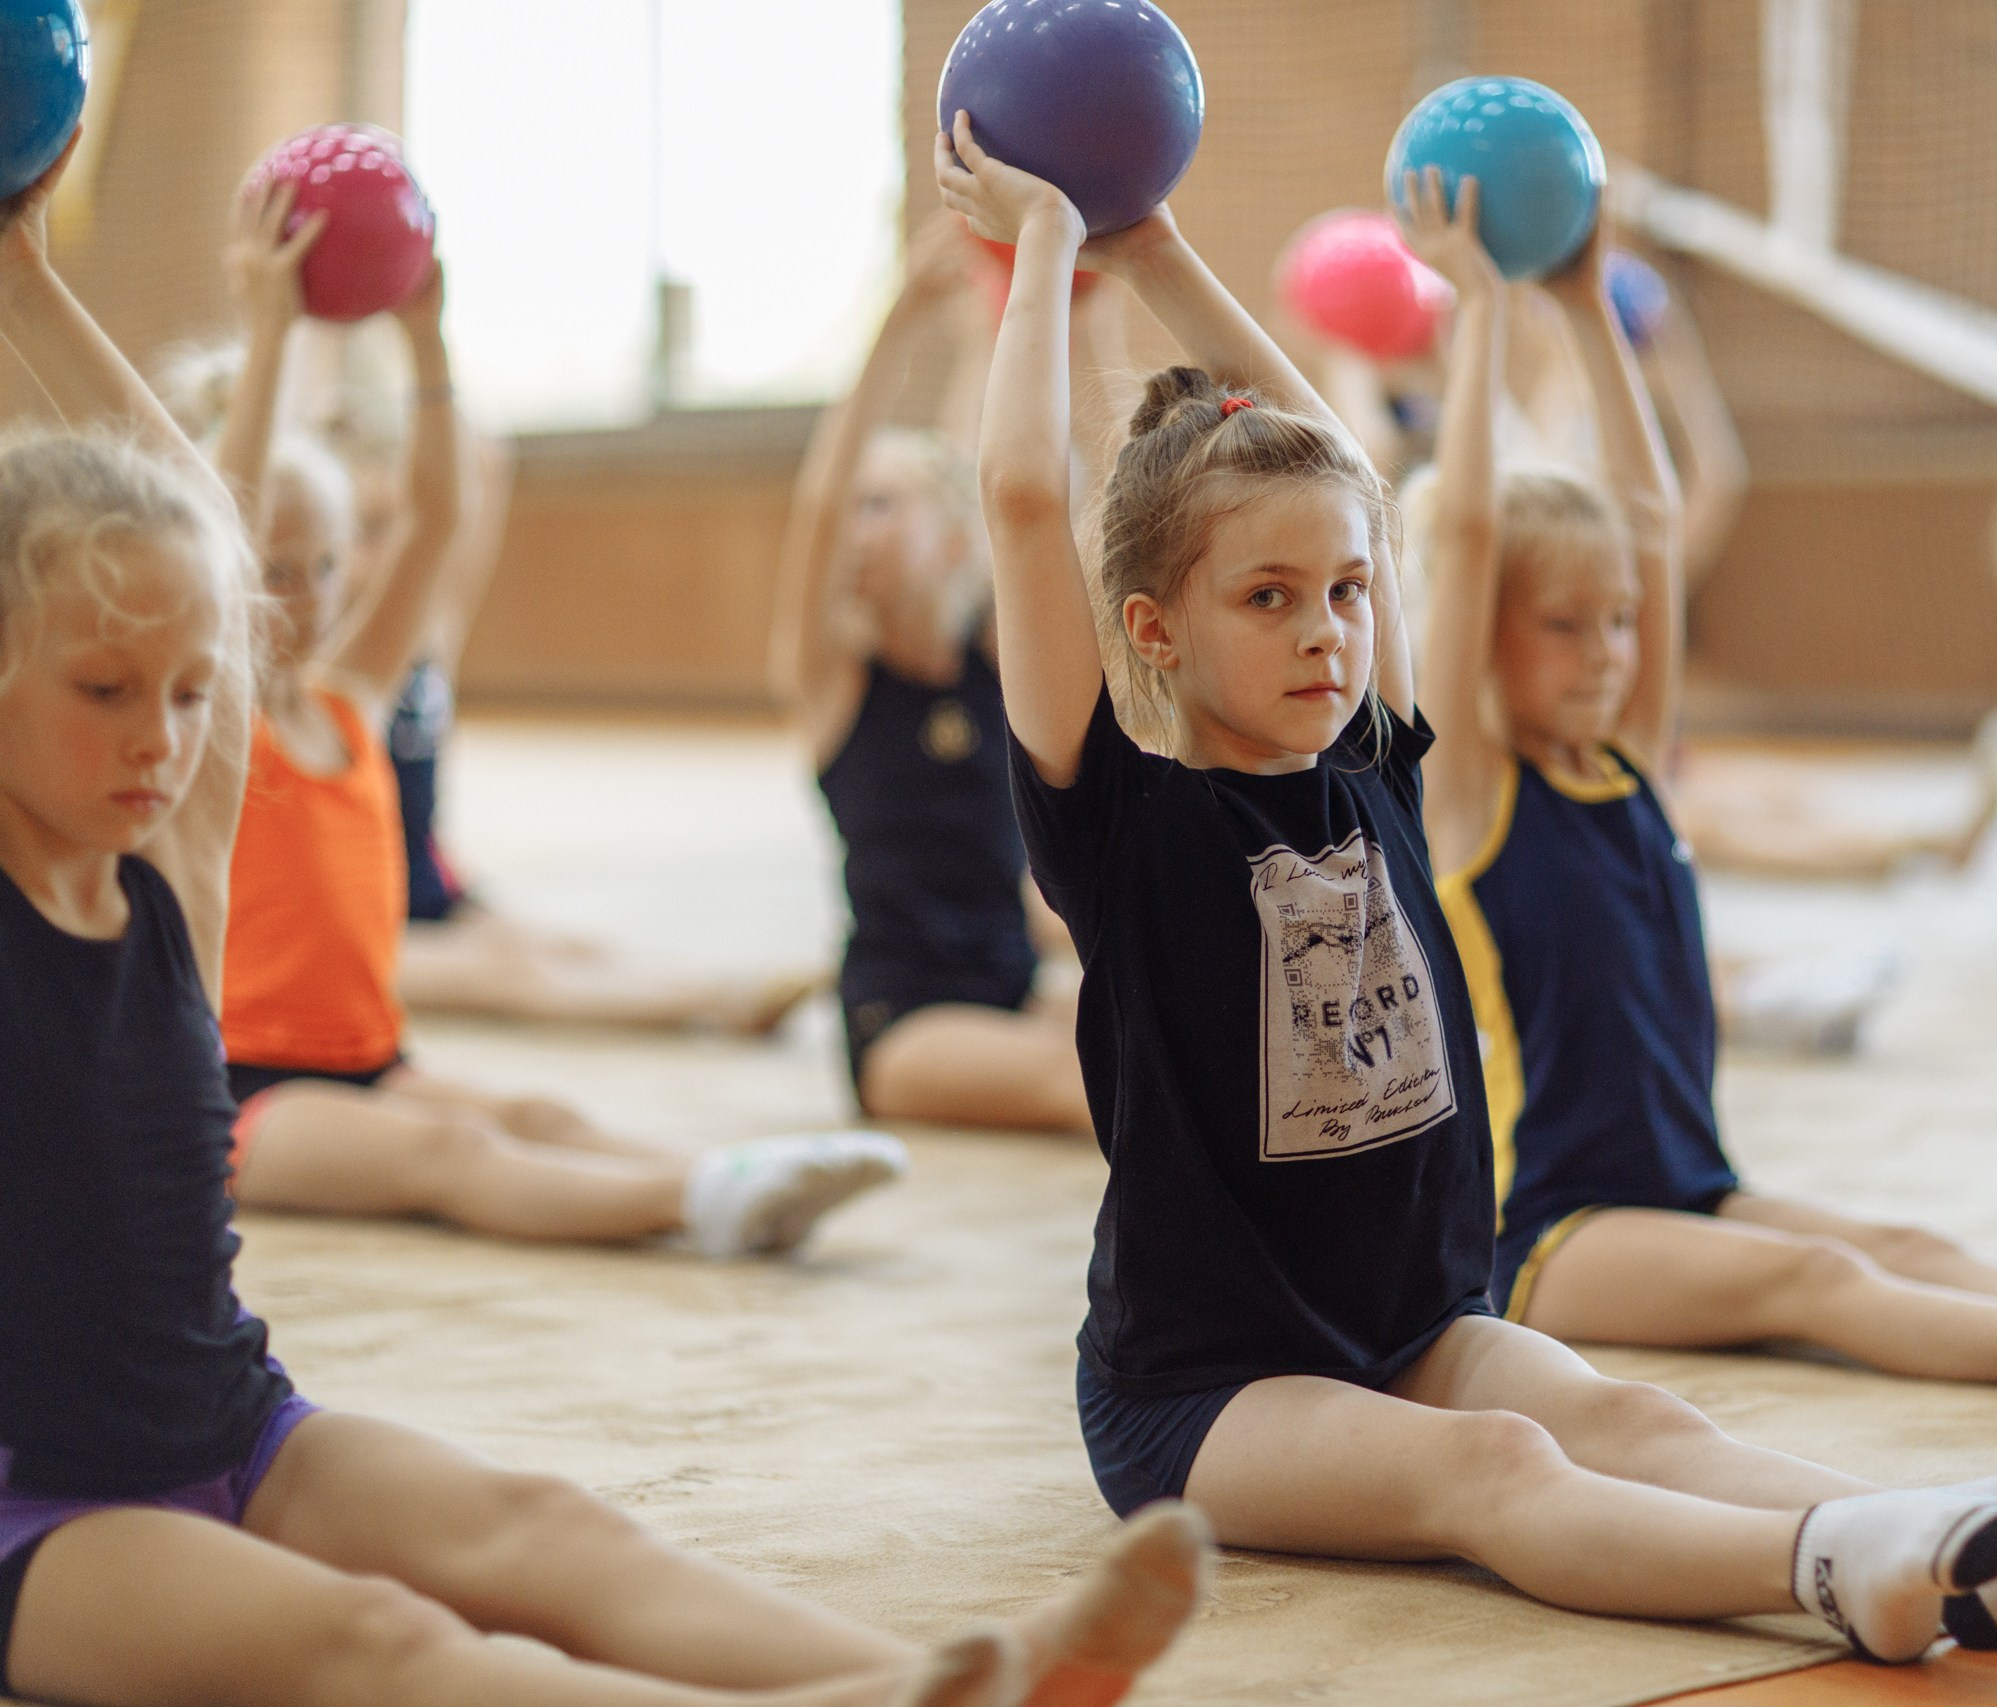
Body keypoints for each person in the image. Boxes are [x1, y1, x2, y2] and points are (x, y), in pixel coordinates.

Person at [940, 117, 1997, 1662]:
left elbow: (1352, 480)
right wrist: (1055, 244)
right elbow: (1023, 495)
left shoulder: (1380, 760)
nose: (1326, 628)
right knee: (1494, 1467)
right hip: (1208, 1389)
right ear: (1151, 630)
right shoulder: (1123, 821)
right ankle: (1835, 1567)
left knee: (1635, 1413)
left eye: (1345, 590)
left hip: (1412, 1320)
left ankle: (1944, 1535)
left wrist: (1163, 251)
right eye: (1266, 599)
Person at [0, 140, 1209, 1707]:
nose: (166, 735)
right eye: (104, 690)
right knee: (387, 1646)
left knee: (554, 1527)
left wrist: (29, 276)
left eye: (184, 691)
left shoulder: (173, 863)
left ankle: (944, 1682)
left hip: (232, 1420)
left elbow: (213, 567)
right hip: (44, 1505)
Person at [1402, 180, 1997, 1403]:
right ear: (1484, 644)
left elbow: (1651, 525)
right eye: (1563, 627)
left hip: (1685, 1182)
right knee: (1818, 1281)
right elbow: (1468, 537)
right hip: (1548, 1230)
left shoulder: (1625, 763)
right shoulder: (1468, 795)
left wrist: (1586, 309)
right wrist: (1479, 313)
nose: (1611, 652)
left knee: (1901, 1245)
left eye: (1619, 623)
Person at [209, 177, 902, 1254]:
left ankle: (729, 1172)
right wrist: (270, 338)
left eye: (323, 567)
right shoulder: (215, 719)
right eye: (274, 570)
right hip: (239, 1097)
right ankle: (696, 1203)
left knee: (537, 1113)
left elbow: (439, 516)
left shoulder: (349, 704)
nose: (301, 596)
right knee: (452, 1155)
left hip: (367, 1061)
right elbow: (223, 521)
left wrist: (426, 337)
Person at [772, 219, 1090, 1133]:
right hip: (905, 1022)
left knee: (1180, 1026)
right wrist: (898, 321)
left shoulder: (993, 662)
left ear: (954, 539)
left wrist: (1015, 318)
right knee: (1097, 1080)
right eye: (857, 507)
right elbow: (820, 502)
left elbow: (1010, 476)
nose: (857, 527)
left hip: (1012, 987)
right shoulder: (835, 682)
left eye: (886, 504)